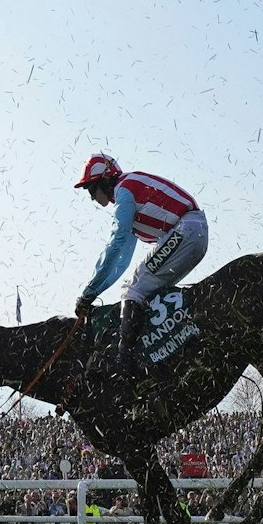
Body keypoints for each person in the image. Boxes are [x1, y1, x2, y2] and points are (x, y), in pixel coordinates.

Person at [70, 154, 210, 376]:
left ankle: (125, 363)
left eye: (91, 189)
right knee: (143, 288)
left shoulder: (124, 191)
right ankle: (166, 346)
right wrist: (95, 290)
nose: (92, 197)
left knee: (133, 289)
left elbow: (116, 244)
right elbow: (122, 259)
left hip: (186, 230)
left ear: (106, 180)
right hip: (193, 231)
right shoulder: (130, 191)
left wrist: (90, 292)